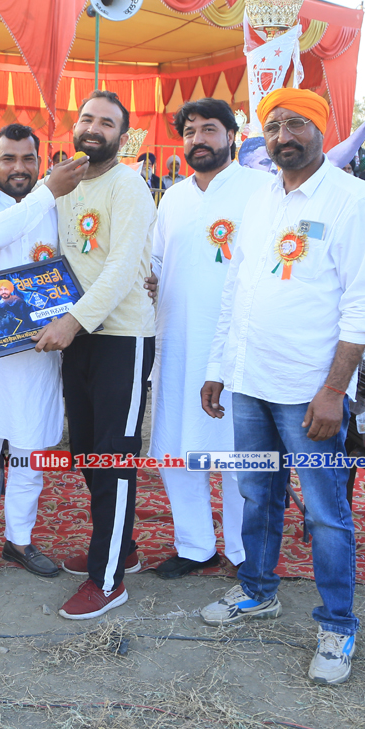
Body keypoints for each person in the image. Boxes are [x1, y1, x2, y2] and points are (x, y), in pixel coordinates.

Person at [200, 88, 365, 686]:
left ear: (321, 130)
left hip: (310, 392)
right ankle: (257, 590)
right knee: (258, 494)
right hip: (250, 381)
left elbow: (364, 304)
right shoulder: (260, 198)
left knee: (326, 513)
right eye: (275, 125)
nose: (284, 135)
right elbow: (237, 289)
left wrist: (334, 390)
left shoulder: (353, 199)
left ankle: (337, 625)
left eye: (297, 124)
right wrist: (218, 366)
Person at [0, 91, 157, 621]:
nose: (94, 128)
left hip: (119, 337)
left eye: (107, 123)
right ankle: (121, 548)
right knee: (87, 453)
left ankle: (108, 579)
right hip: (73, 338)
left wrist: (73, 321)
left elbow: (122, 268)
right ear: (75, 127)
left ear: (123, 136)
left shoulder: (130, 187)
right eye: (87, 119)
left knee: (113, 457)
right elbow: (21, 202)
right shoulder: (65, 183)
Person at [0, 127, 79, 587]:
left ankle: (19, 541)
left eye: (28, 159)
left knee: (30, 453)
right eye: (8, 159)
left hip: (37, 355)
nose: (19, 168)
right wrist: (46, 191)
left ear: (40, 161)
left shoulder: (57, 208)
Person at [148, 98, 271, 580]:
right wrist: (150, 278)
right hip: (177, 342)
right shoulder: (173, 198)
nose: (198, 139)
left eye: (209, 129)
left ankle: (243, 551)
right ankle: (195, 545)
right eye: (190, 131)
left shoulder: (260, 190)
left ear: (232, 136)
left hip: (236, 347)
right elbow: (158, 261)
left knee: (238, 454)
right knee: (177, 447)